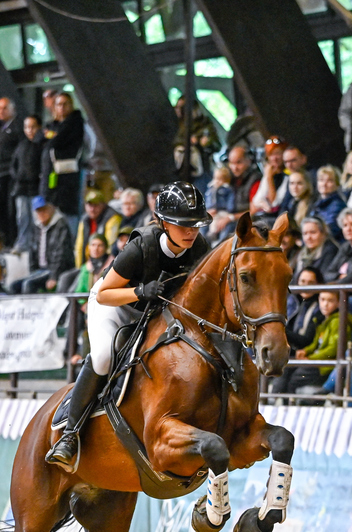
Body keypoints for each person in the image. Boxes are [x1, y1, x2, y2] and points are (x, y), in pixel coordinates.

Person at [46, 182, 211, 471]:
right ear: (162, 223)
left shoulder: (199, 248)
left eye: (195, 225)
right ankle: (70, 435)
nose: (191, 232)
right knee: (103, 358)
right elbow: (105, 293)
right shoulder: (141, 247)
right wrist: (139, 292)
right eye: (183, 225)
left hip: (156, 313)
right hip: (116, 307)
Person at [272, 290, 350, 397]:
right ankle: (274, 399)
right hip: (316, 361)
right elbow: (315, 343)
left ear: (339, 303)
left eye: (330, 301)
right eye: (322, 300)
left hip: (324, 365)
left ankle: (288, 405)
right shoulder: (323, 319)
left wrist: (311, 357)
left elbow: (333, 349)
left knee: (295, 379)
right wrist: (305, 351)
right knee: (286, 368)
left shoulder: (338, 321)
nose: (325, 304)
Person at [42, 92, 86, 229]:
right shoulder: (52, 124)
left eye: (65, 104)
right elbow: (41, 139)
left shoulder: (76, 122)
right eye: (59, 104)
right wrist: (52, 136)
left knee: (69, 212)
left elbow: (57, 141)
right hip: (52, 174)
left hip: (70, 175)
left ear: (71, 105)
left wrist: (53, 137)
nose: (62, 107)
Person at [15, 197, 74, 294]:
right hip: (40, 271)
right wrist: (32, 272)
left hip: (55, 271)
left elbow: (61, 253)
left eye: (44, 209)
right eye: (38, 211)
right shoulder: (36, 227)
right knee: (14, 286)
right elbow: (32, 251)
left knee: (29, 284)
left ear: (51, 208)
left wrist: (54, 276)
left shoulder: (61, 225)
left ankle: (31, 309)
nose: (41, 213)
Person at [0, 97, 22, 245]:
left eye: (4, 108)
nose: (0, 111)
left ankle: (11, 241)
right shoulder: (3, 127)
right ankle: (4, 240)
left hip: (9, 175)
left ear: (12, 109)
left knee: (10, 211)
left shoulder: (17, 127)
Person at [11, 115, 43, 252]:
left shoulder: (43, 145)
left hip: (36, 188)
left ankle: (36, 246)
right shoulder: (21, 145)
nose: (29, 130)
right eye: (27, 127)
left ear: (39, 127)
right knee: (22, 217)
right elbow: (14, 164)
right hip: (21, 188)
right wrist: (17, 176)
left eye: (33, 127)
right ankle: (23, 244)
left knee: (36, 218)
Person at [74, 189, 120, 268]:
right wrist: (80, 268)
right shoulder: (84, 220)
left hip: (104, 267)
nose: (92, 209)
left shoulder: (112, 218)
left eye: (96, 205)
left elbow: (110, 248)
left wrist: (102, 270)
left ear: (103, 205)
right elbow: (79, 247)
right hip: (87, 266)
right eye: (89, 205)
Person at [295, 217, 340, 284]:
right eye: (305, 233)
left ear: (323, 233)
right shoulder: (302, 254)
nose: (308, 237)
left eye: (313, 232)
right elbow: (295, 280)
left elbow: (323, 278)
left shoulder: (330, 250)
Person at [309, 167, 347, 243]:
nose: (324, 184)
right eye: (321, 180)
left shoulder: (337, 205)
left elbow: (330, 230)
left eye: (329, 181)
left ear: (337, 184)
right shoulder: (318, 203)